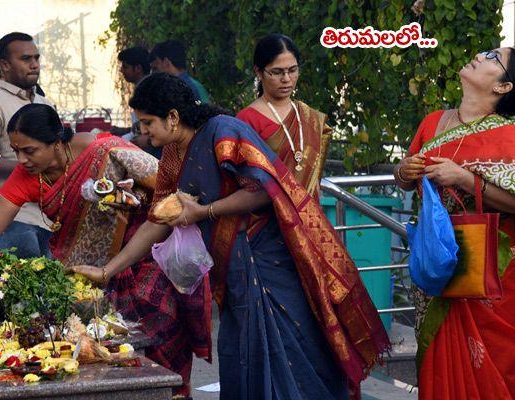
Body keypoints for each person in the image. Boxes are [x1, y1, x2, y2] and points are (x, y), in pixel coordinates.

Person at [69, 73, 389, 399]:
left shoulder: (223, 131)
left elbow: (264, 191)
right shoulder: (171, 156)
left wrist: (204, 212)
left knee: (288, 355)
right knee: (242, 356)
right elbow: (157, 220)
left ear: (174, 117)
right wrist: (108, 271)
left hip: (267, 261)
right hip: (233, 269)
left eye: (148, 122)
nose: (144, 131)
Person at [0, 103, 202, 398]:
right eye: (16, 151)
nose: (21, 159)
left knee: (163, 347)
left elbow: (174, 190)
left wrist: (129, 199)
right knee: (107, 354)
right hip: (90, 277)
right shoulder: (28, 174)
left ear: (56, 142)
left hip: (146, 261)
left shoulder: (105, 150)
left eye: (29, 150)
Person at [395, 48, 515, 400]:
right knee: (441, 365)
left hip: (484, 274)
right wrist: (404, 170)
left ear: (503, 86)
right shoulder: (433, 122)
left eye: (492, 57)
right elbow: (403, 177)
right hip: (436, 264)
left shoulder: (509, 135)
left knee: (491, 368)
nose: (479, 55)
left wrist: (464, 178)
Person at [0, 32, 52, 258]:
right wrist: (25, 170)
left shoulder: (44, 103)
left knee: (51, 289)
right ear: (4, 65)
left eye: (36, 58)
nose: (34, 65)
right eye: (25, 59)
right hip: (11, 217)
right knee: (19, 289)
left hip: (48, 214)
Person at [237, 33, 332, 195]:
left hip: (309, 216)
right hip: (268, 216)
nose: (287, 78)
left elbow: (313, 180)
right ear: (259, 72)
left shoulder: (310, 118)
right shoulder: (247, 120)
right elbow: (247, 183)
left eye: (292, 70)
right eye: (277, 72)